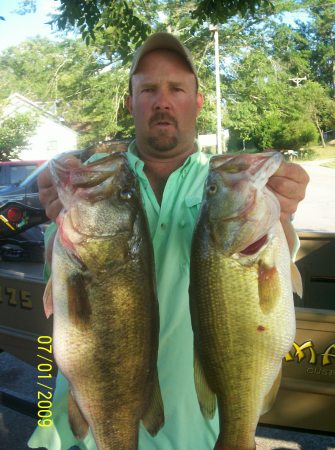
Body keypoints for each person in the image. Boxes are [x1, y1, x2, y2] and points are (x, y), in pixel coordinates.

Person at [28, 32, 309, 450]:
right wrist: (57, 211)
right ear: (130, 103)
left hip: (198, 434)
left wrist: (281, 214)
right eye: (148, 90)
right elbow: (62, 275)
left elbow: (274, 263)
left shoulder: (225, 182)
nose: (162, 100)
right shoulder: (99, 186)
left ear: (197, 102)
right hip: (80, 433)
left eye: (177, 88)